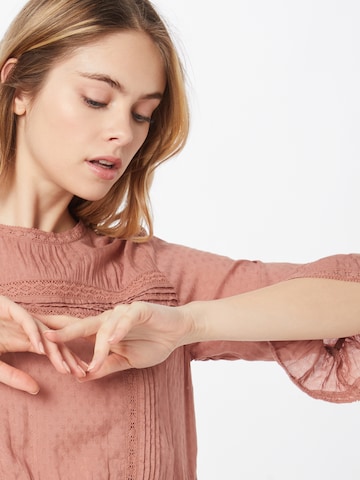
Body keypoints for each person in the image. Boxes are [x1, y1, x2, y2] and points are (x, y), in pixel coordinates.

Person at [0, 0, 359, 478]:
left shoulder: (153, 279)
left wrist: (189, 323)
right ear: (19, 86)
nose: (122, 133)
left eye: (143, 114)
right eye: (96, 100)